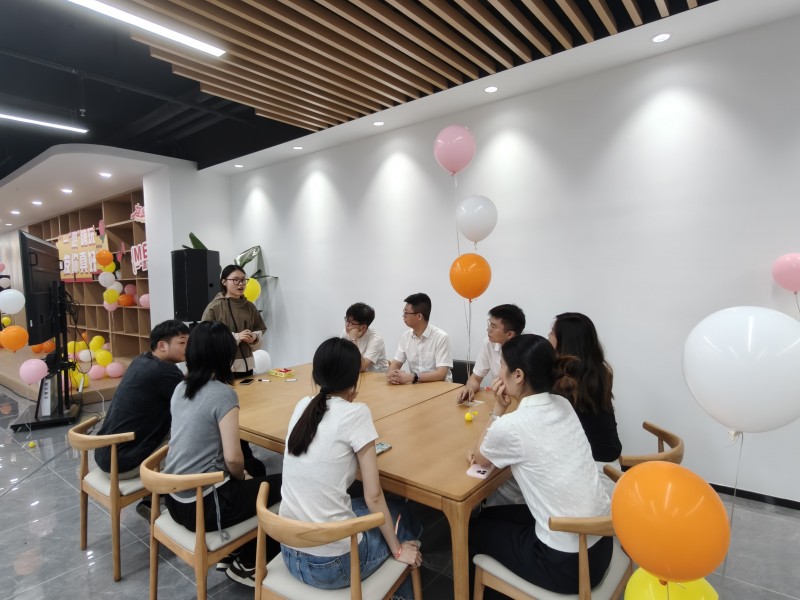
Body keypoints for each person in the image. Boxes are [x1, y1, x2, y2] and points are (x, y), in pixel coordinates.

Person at [468, 334, 612, 595]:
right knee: (489, 515)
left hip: (566, 564)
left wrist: (498, 409)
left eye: (502, 365)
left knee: (473, 529)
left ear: (518, 375)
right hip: (601, 544)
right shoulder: (563, 404)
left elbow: (479, 457)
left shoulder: (513, 426)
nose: (499, 372)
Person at [280, 337, 422, 597]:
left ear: (316, 373)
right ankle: (401, 583)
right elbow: (373, 496)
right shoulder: (356, 413)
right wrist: (398, 550)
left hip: (289, 553)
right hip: (332, 566)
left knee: (366, 509)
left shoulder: (303, 405)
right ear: (355, 377)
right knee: (402, 514)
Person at [163, 321, 282, 588]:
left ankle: (236, 550)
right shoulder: (223, 394)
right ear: (224, 355)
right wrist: (242, 476)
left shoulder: (181, 388)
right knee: (288, 485)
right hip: (205, 506)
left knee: (257, 468)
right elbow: (233, 459)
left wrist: (246, 473)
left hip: (174, 499)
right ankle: (249, 563)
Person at [95, 319, 189, 518]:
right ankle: (171, 500)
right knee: (191, 442)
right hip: (123, 463)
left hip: (106, 454)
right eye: (182, 343)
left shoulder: (142, 361)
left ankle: (154, 497)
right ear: (162, 346)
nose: (188, 348)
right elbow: (194, 403)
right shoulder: (164, 371)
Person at [202, 263, 268, 476]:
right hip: (225, 367)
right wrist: (236, 337)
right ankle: (234, 452)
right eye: (236, 280)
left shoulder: (249, 306)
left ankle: (243, 448)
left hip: (247, 365)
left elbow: (260, 330)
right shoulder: (215, 307)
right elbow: (206, 337)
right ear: (224, 282)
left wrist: (253, 337)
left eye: (243, 280)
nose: (241, 284)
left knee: (247, 407)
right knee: (229, 410)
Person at [549, 312, 622, 496]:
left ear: (565, 342)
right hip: (611, 468)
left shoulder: (565, 382)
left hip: (591, 476)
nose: (547, 336)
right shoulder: (598, 372)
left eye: (552, 333)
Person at [458, 304, 525, 403]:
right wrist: (469, 388)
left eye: (493, 327)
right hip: (500, 400)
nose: (488, 330)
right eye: (489, 324)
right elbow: (475, 378)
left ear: (510, 334)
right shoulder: (489, 344)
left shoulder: (529, 349)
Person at [387, 292, 452, 384]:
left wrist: (412, 377)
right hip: (416, 387)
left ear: (419, 316)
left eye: (406, 313)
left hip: (440, 387)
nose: (403, 316)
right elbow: (396, 364)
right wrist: (392, 374)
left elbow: (441, 374)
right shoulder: (406, 337)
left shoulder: (441, 337)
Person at [341, 302, 388, 373]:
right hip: (356, 375)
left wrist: (353, 339)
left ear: (363, 327)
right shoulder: (345, 332)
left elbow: (360, 367)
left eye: (351, 323)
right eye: (347, 320)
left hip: (376, 376)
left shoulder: (376, 339)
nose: (347, 325)